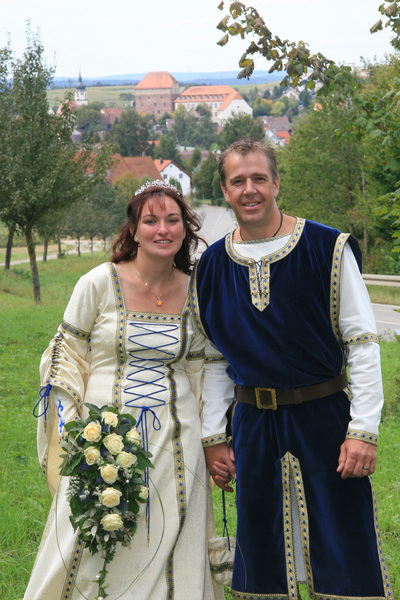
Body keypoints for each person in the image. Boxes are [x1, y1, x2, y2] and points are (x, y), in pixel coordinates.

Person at [190, 139, 393, 599]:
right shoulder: (212, 267)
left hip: (325, 421)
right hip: (253, 428)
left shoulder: (327, 248)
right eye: (238, 181)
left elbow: (361, 343)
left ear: (277, 183)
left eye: (259, 178)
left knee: (343, 551)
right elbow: (217, 359)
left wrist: (363, 430)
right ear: (224, 190)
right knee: (264, 559)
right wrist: (215, 436)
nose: (249, 189)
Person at [25, 180, 224, 600]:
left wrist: (213, 437)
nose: (162, 229)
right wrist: (73, 432)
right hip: (102, 438)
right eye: (151, 220)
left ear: (185, 228)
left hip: (175, 441)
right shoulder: (99, 283)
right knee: (89, 543)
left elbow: (202, 368)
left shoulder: (196, 290)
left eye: (173, 220)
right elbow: (64, 356)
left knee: (171, 541)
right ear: (133, 229)